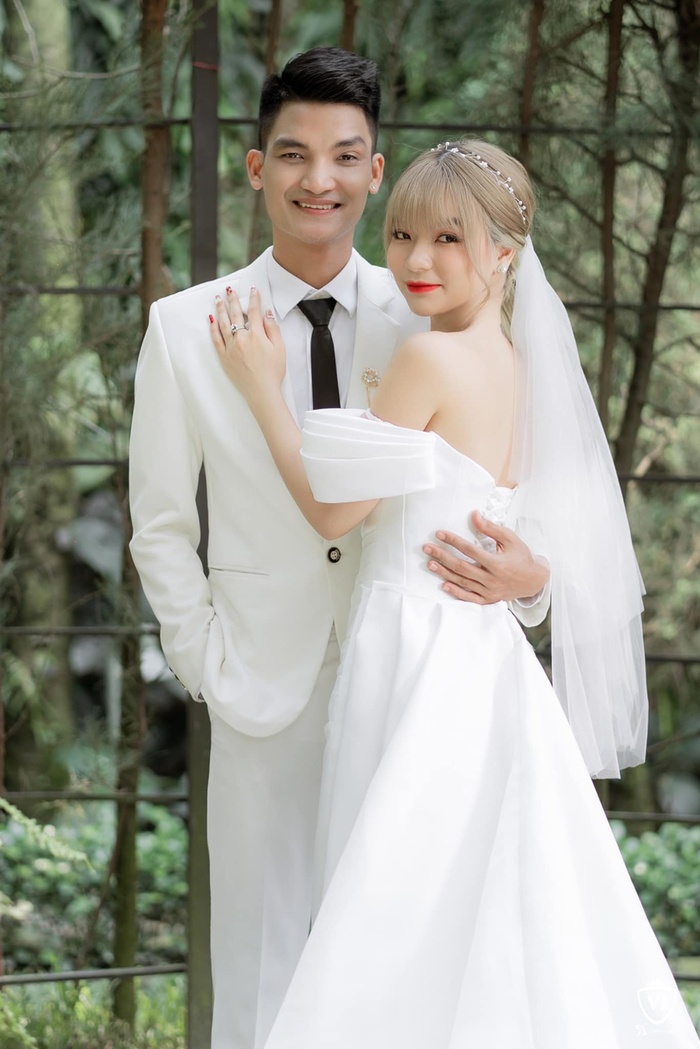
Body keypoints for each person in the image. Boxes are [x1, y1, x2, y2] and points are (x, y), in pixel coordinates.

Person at [210, 140, 700, 1047]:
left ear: (504, 253)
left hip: (413, 656)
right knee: (483, 898)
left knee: (391, 902)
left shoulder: (430, 360)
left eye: (447, 238)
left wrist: (262, 389)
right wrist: (532, 576)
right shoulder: (521, 365)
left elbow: (333, 511)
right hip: (486, 659)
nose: (416, 259)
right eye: (401, 234)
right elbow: (551, 532)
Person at [129, 50, 547, 1049]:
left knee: (403, 964)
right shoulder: (184, 328)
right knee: (262, 968)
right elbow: (160, 524)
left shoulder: (430, 304)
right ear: (255, 167)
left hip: (413, 684)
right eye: (293, 154)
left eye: (344, 156)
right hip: (259, 682)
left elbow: (516, 486)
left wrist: (532, 581)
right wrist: (203, 660)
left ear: (374, 169)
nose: (318, 179)